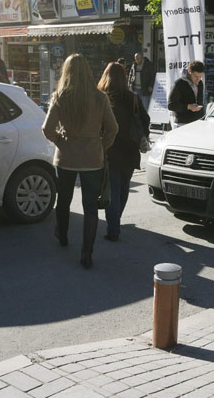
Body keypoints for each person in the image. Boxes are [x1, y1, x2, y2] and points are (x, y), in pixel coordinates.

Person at [42, 54, 119, 269]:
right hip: (93, 158)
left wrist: (61, 141)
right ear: (87, 71)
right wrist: (100, 146)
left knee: (63, 200)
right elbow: (113, 129)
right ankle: (87, 253)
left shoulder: (60, 96)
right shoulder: (100, 97)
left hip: (66, 157)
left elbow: (47, 129)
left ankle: (63, 236)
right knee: (90, 207)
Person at [97, 62, 150, 243]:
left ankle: (113, 228)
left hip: (109, 150)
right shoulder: (133, 97)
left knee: (111, 190)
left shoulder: (102, 97)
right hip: (130, 150)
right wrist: (141, 136)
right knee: (124, 188)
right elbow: (146, 119)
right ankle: (115, 221)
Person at [167, 60, 204, 129]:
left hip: (197, 123)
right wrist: (188, 107)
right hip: (181, 124)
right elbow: (170, 105)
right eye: (196, 76)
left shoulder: (200, 83)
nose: (198, 79)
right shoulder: (178, 84)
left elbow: (200, 101)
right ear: (189, 71)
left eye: (200, 76)